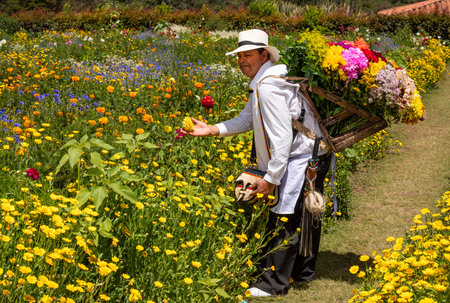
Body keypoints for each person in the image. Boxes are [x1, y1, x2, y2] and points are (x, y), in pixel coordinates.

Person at [181, 29, 331, 297]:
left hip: (300, 158)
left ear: (264, 55)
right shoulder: (269, 81)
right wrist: (212, 129)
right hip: (311, 153)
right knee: (304, 214)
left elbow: (283, 139)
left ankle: (272, 285)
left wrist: (271, 178)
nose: (241, 60)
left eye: (247, 55)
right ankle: (302, 272)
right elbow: (247, 119)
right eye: (239, 55)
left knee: (283, 216)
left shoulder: (269, 87)